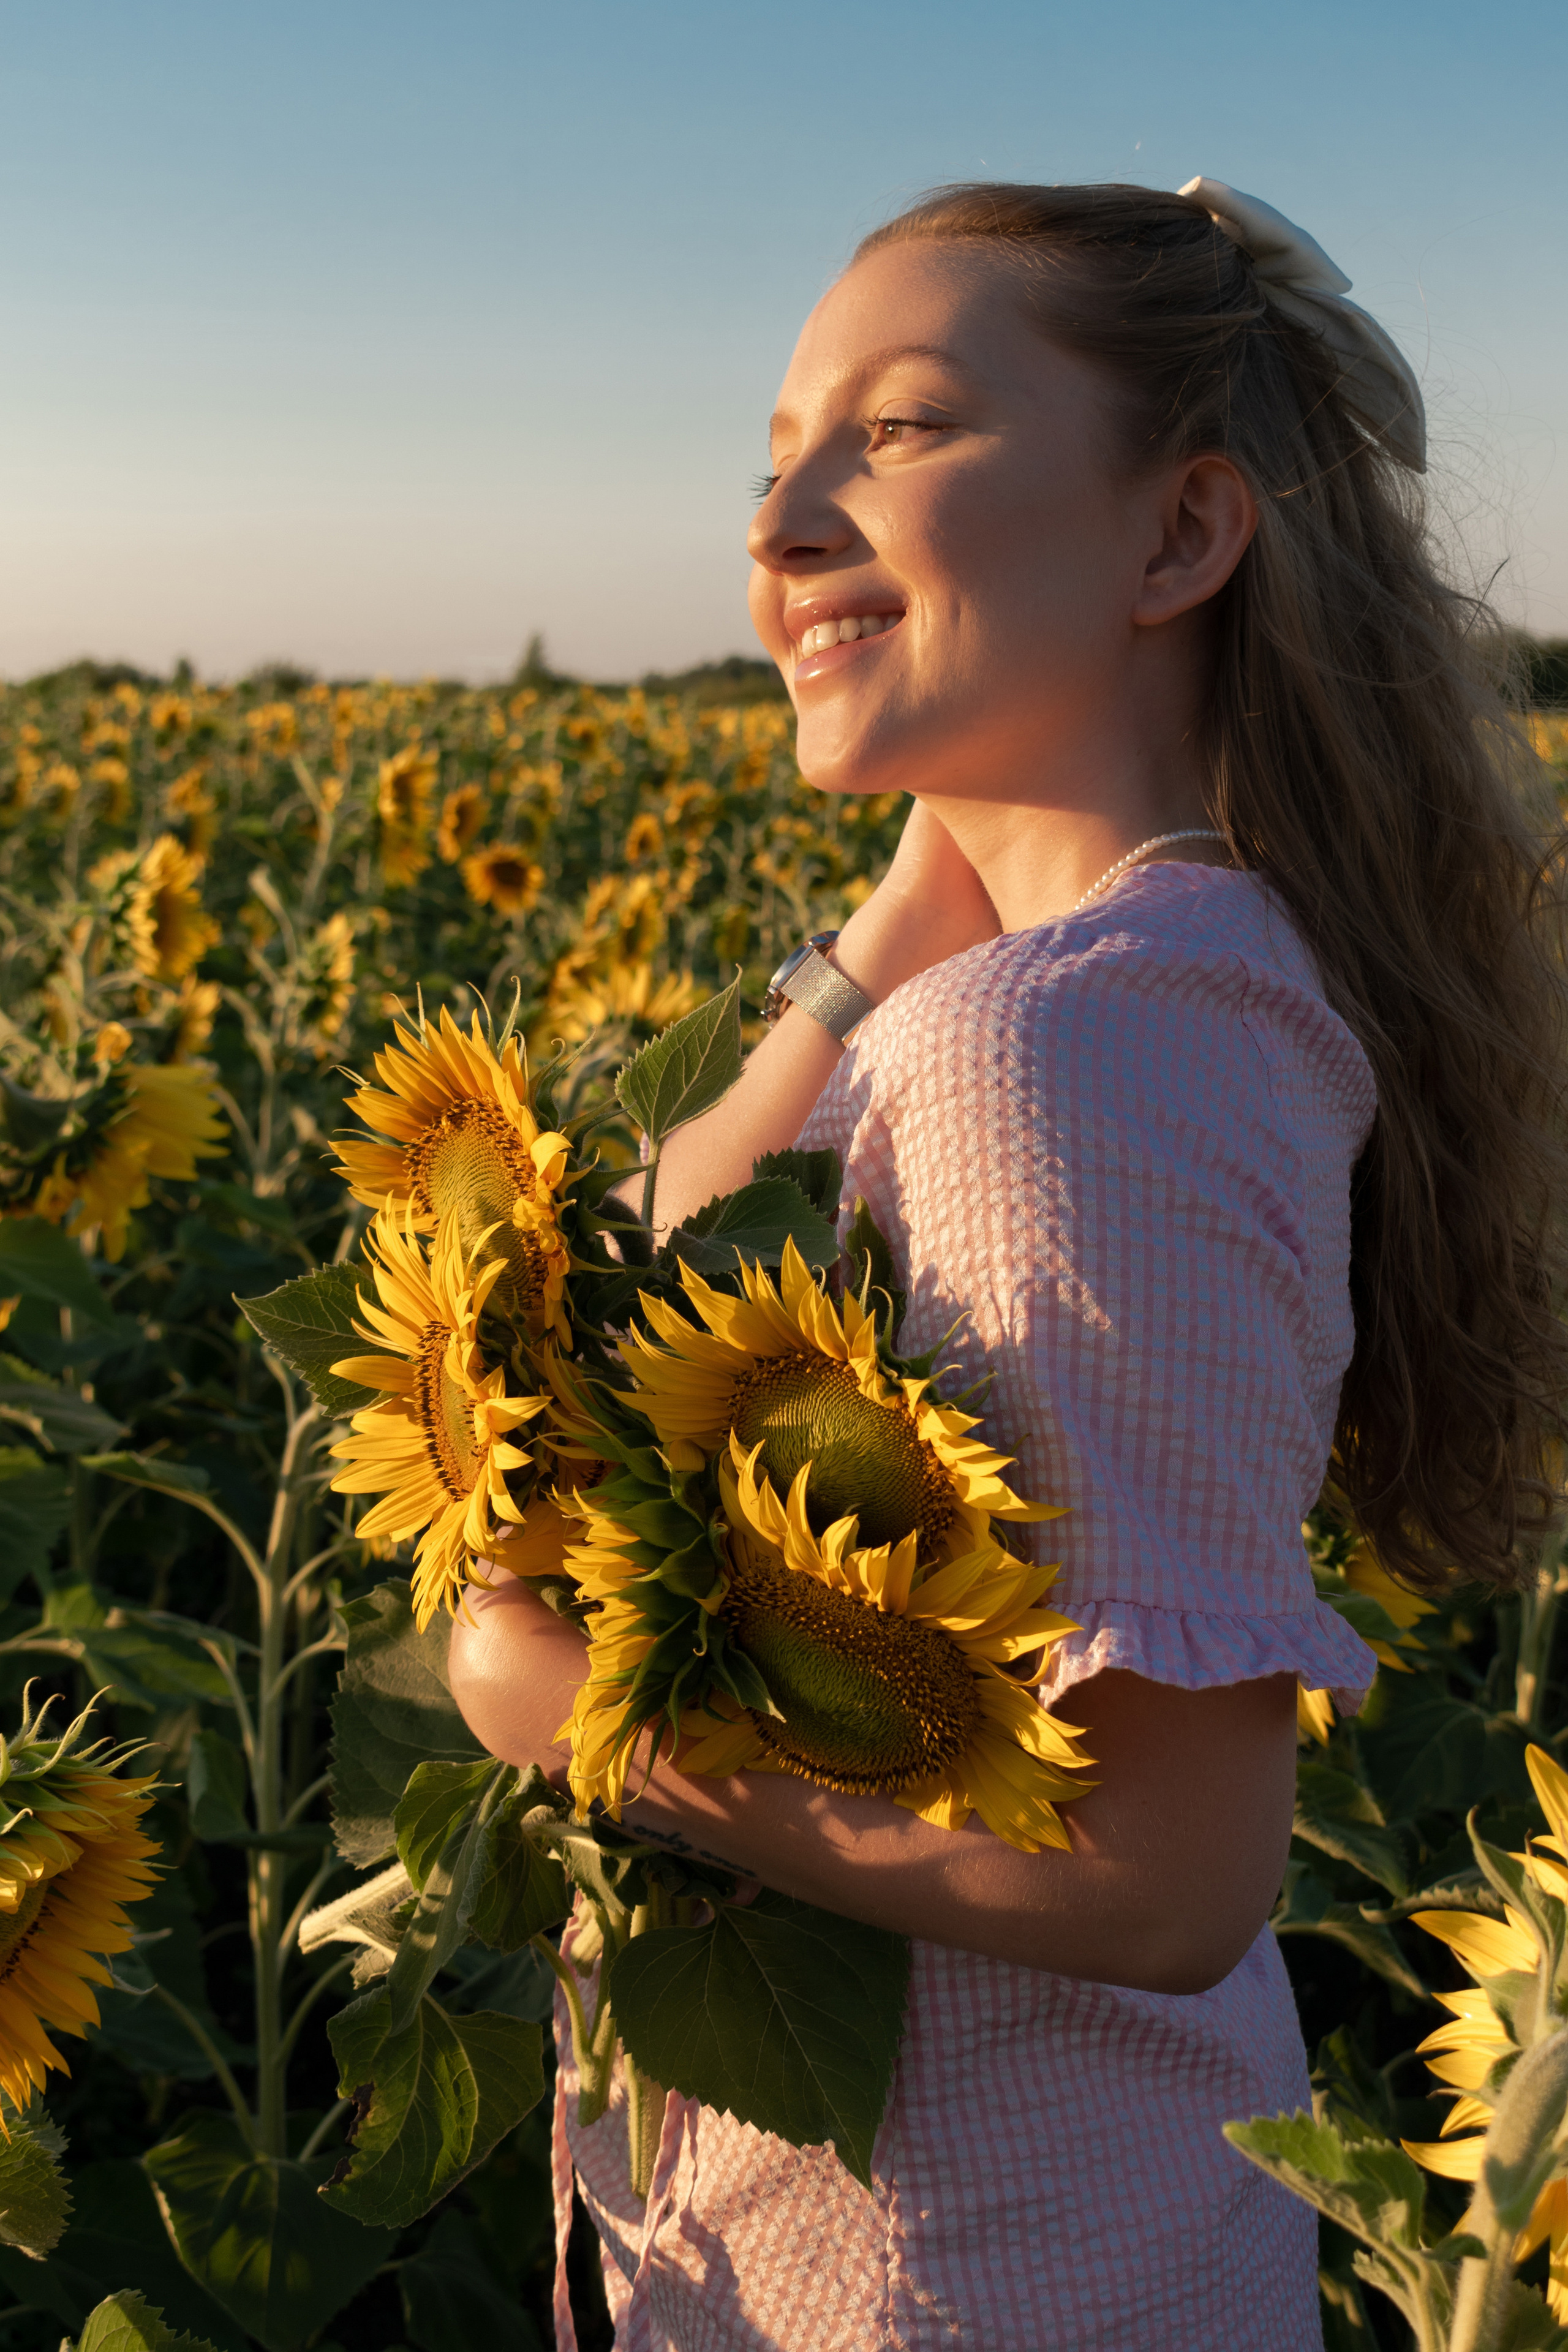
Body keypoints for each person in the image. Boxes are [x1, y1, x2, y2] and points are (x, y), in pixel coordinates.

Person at [448, 179, 1567, 2350]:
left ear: (1177, 540)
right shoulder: (1109, 986)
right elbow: (677, 1242)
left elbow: (1167, 1874)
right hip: (1003, 2240)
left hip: (968, 2270)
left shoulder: (1060, 1056)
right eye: (779, 447)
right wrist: (919, 867)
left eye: (909, 426)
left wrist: (576, 1720)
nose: (780, 517)